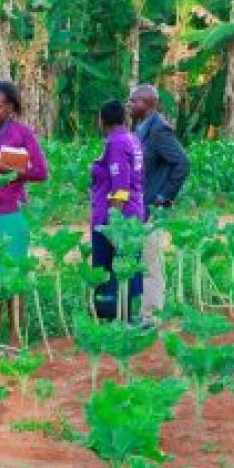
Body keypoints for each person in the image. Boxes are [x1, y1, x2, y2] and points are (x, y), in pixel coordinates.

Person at [0, 80, 48, 345]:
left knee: (12, 275)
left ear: (11, 108)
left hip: (10, 214)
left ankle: (16, 336)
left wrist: (1, 168)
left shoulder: (22, 134)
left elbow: (40, 172)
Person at [128, 84, 190, 323]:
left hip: (152, 205)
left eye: (134, 102)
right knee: (143, 259)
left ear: (149, 104)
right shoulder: (142, 128)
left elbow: (182, 164)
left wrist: (164, 197)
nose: (131, 105)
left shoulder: (159, 130)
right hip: (140, 205)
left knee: (151, 261)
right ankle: (145, 312)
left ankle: (151, 317)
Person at [91, 100, 146, 320]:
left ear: (102, 120)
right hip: (133, 212)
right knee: (128, 266)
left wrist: (114, 225)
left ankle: (116, 319)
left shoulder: (116, 142)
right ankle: (126, 315)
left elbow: (120, 187)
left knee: (111, 270)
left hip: (117, 218)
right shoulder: (132, 139)